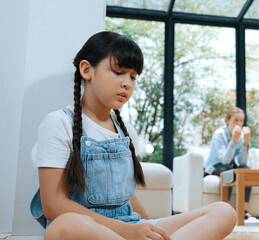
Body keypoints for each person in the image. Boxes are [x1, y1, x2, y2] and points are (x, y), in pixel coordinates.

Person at [30, 31, 236, 240]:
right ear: (86, 70)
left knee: (223, 211)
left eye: (133, 76)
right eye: (118, 72)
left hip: (130, 228)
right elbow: (54, 205)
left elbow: (127, 196)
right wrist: (127, 232)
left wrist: (150, 231)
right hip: (95, 231)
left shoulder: (126, 130)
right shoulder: (59, 123)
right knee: (66, 224)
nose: (127, 83)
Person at [204, 107, 255, 220]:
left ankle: (244, 212)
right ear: (227, 120)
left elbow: (242, 162)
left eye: (241, 120)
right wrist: (234, 140)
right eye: (236, 120)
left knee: (245, 170)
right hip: (215, 167)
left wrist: (246, 142)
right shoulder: (219, 134)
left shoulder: (241, 136)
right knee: (228, 171)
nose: (239, 123)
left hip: (229, 166)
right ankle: (224, 212)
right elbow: (224, 160)